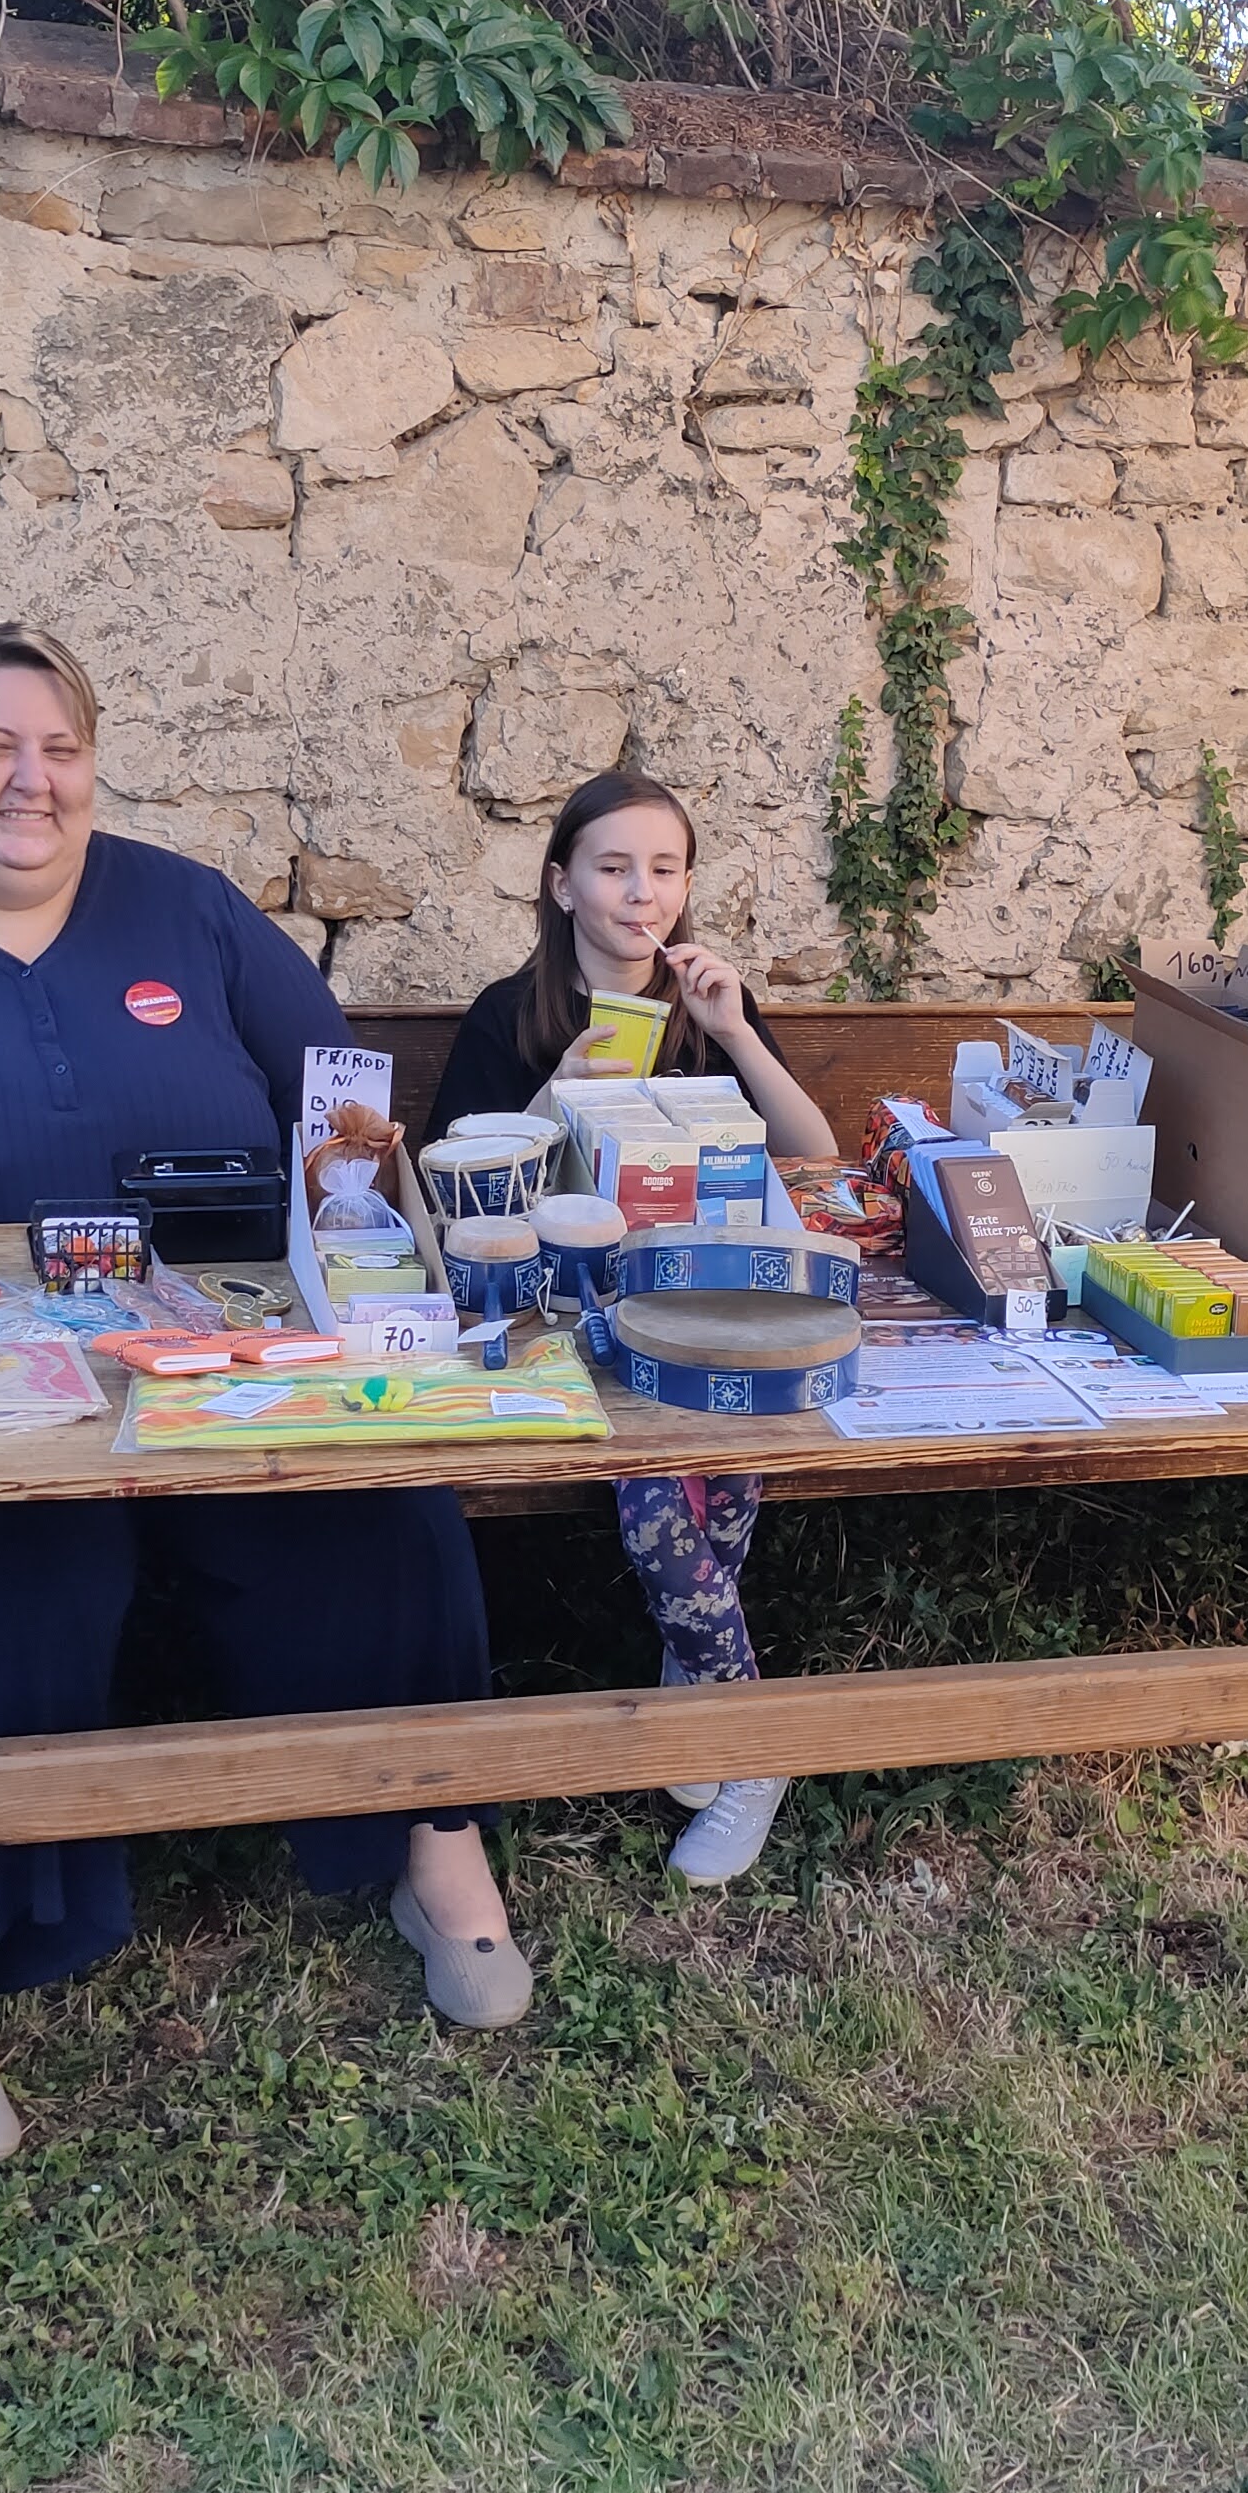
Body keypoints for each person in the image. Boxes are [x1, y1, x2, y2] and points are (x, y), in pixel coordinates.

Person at [0, 622, 530, 2171]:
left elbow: (335, 1100)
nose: (30, 780)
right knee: (1, 1581)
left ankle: (435, 1846)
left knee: (385, 1520)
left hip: (226, 1347)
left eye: (59, 749)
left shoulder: (186, 909)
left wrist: (352, 1190)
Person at [422, 769, 838, 1885]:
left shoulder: (707, 1011)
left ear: (686, 886)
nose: (639, 892)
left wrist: (737, 1032)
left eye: (663, 870)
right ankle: (749, 1746)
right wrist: (555, 1092)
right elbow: (455, 1195)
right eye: (612, 868)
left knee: (731, 1451)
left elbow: (813, 1156)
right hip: (563, 1326)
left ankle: (697, 1682)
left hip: (703, 1306)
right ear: (562, 885)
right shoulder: (511, 1015)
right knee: (656, 1480)